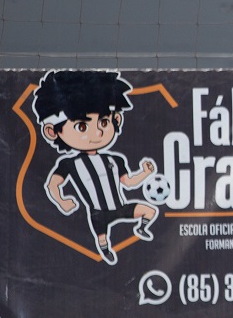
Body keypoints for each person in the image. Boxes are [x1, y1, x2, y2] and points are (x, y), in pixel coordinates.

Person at [32, 70, 158, 265]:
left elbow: (129, 182)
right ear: (52, 132)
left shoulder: (115, 159)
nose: (97, 132)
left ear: (116, 121)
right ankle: (105, 248)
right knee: (102, 238)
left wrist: (145, 173)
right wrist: (62, 201)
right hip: (98, 212)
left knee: (150, 211)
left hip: (120, 207)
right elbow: (52, 185)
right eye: (82, 126)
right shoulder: (69, 164)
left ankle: (141, 228)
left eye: (104, 122)